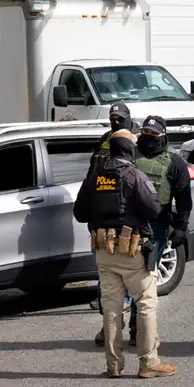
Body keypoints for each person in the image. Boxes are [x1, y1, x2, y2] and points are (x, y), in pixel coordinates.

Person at [73, 129, 178, 379]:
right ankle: (149, 362)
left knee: (111, 308)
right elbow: (153, 209)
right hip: (132, 252)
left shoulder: (95, 178)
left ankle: (113, 365)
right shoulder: (135, 176)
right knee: (146, 304)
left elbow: (79, 213)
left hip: (104, 251)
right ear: (130, 150)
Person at [93, 115, 192, 347]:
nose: (148, 138)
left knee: (144, 281)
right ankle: (110, 326)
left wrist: (181, 227)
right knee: (115, 281)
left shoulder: (174, 163)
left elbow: (184, 199)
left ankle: (137, 330)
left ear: (164, 136)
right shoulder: (129, 155)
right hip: (123, 224)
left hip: (155, 227)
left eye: (153, 134)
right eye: (145, 133)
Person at [88, 104, 141, 321]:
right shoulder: (105, 139)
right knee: (104, 259)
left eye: (120, 118)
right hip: (102, 208)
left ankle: (125, 303)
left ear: (128, 117)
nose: (116, 121)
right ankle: (106, 300)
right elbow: (92, 169)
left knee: (128, 261)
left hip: (126, 209)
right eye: (112, 117)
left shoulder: (138, 138)